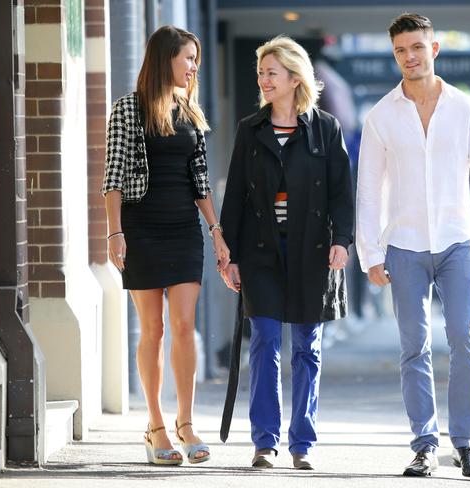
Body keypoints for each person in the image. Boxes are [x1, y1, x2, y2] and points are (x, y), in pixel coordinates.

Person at [356, 13, 470, 478]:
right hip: (404, 247)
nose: (409, 57)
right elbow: (369, 189)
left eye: (416, 48)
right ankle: (424, 444)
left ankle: (465, 444)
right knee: (414, 345)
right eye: (400, 51)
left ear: (434, 49)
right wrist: (371, 252)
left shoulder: (465, 109)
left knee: (465, 339)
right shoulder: (381, 116)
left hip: (457, 243)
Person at [219, 35, 353, 470]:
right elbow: (236, 194)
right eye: (260, 72)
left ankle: (303, 443)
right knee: (264, 342)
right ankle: (264, 442)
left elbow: (341, 193)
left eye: (270, 72)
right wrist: (230, 254)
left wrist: (342, 240)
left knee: (308, 347)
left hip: (310, 250)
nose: (262, 80)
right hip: (260, 252)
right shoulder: (249, 129)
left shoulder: (326, 129)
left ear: (295, 79)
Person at [102, 25, 229, 466]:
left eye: (196, 58)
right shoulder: (128, 110)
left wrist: (216, 232)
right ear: (165, 59)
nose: (194, 66)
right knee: (152, 330)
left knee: (182, 325)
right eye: (188, 58)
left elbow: (201, 182)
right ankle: (155, 425)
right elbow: (113, 178)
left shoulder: (190, 112)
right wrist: (115, 233)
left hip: (183, 230)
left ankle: (186, 421)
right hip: (141, 229)